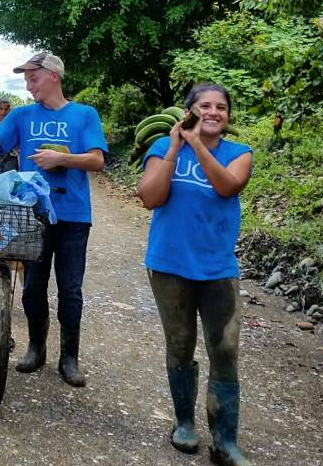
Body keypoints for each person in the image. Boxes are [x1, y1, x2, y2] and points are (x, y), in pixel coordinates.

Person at [0, 52, 106, 387]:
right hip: (32, 214)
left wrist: (62, 158)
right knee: (32, 287)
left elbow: (97, 160)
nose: (28, 85)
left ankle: (69, 358)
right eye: (26, 79)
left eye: (33, 78)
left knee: (70, 289)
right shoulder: (23, 116)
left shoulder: (84, 115)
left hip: (73, 216)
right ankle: (36, 348)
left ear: (53, 76)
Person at [135, 83, 254, 466]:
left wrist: (197, 145)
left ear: (228, 116)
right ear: (189, 110)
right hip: (170, 266)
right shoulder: (161, 150)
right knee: (180, 346)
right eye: (205, 105)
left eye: (221, 107)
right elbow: (150, 197)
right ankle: (184, 423)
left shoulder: (239, 153)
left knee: (225, 350)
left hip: (217, 269)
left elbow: (227, 186)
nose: (213, 112)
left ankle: (225, 441)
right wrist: (174, 147)